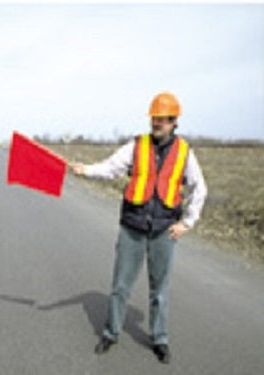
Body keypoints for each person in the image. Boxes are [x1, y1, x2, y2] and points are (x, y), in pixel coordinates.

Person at [71, 92, 207, 364]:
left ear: (173, 122)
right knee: (121, 286)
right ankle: (111, 333)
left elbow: (199, 188)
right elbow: (110, 168)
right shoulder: (136, 146)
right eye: (155, 118)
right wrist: (86, 170)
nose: (157, 123)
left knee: (160, 290)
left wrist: (187, 223)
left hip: (164, 231)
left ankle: (160, 339)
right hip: (132, 227)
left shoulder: (184, 152)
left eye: (163, 119)